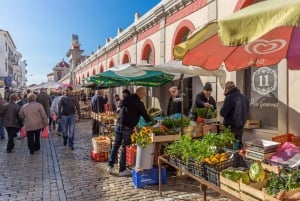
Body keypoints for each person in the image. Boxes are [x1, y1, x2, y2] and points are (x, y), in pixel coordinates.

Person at [107, 87, 151, 176]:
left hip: (119, 124)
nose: (145, 95)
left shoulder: (127, 98)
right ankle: (122, 170)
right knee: (124, 147)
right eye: (144, 93)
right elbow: (145, 115)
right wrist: (151, 121)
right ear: (141, 93)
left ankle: (110, 166)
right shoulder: (138, 102)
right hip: (127, 127)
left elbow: (121, 108)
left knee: (116, 145)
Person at [220, 81, 249, 148]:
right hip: (240, 127)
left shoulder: (229, 97)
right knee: (238, 145)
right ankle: (239, 157)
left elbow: (223, 113)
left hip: (230, 128)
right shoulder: (244, 98)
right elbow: (247, 113)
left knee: (229, 147)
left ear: (227, 89)